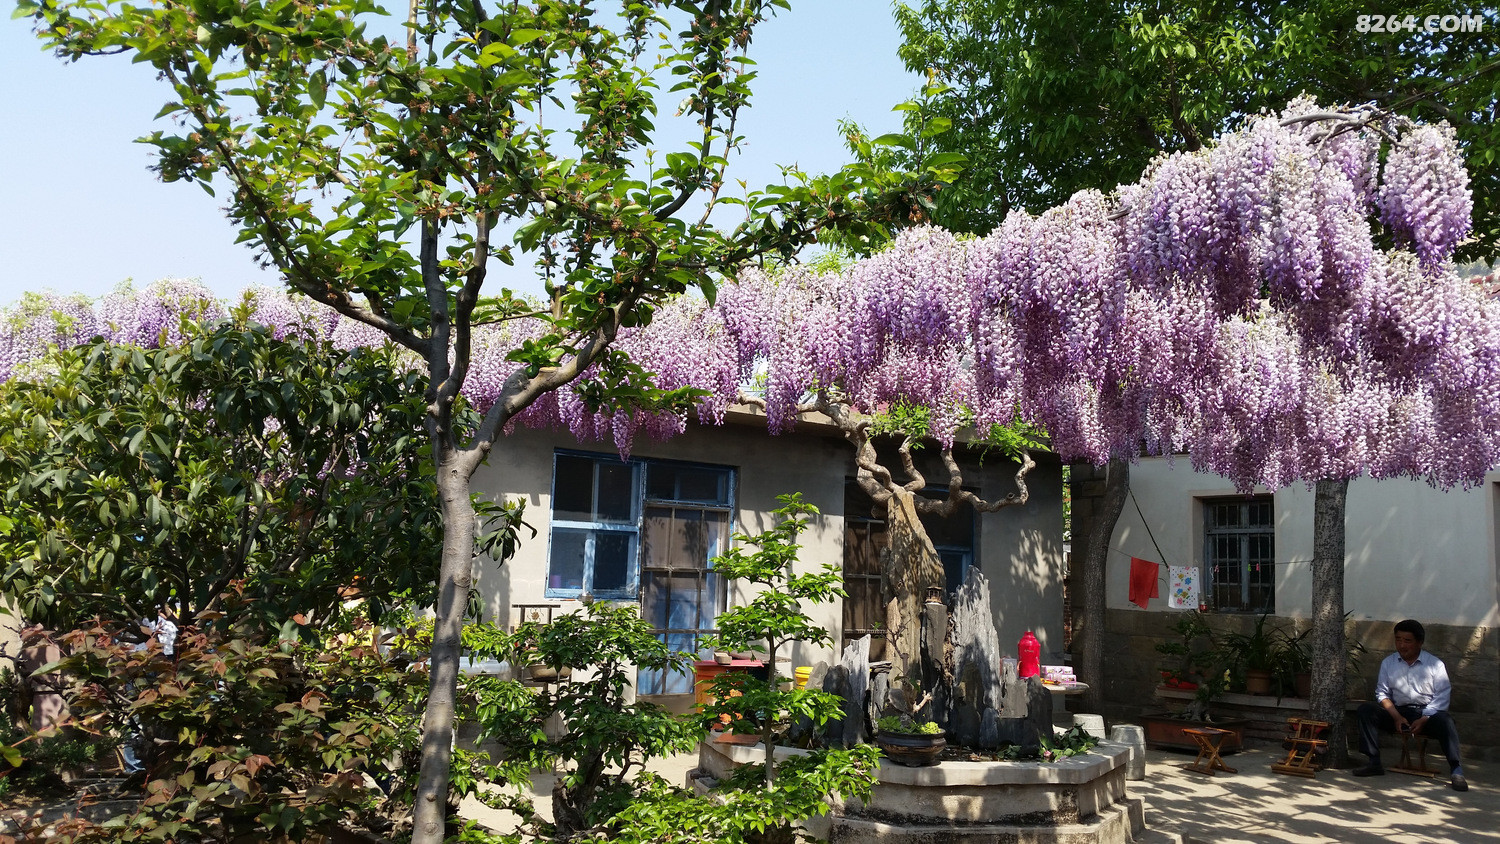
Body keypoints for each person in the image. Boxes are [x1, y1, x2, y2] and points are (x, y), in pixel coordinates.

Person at [1352, 619, 1466, 791]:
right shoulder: (1388, 663)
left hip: (1427, 714)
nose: (1402, 645)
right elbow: (1382, 693)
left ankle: (1456, 770)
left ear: (1419, 642)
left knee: (1446, 721)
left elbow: (1442, 697)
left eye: (1407, 641)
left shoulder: (1435, 664)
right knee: (1366, 710)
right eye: (1398, 640)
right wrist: (1396, 717)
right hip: (1399, 713)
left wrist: (1425, 718)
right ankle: (1373, 761)